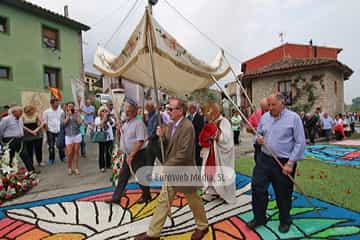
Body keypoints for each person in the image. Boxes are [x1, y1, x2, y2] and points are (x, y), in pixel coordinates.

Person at [135, 98, 209, 240]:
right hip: (171, 171)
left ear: (180, 111)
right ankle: (153, 233)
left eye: (171, 109)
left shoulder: (188, 127)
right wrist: (160, 137)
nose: (168, 111)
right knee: (164, 201)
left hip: (184, 171)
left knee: (194, 201)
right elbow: (166, 146)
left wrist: (166, 166)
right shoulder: (169, 125)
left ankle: (202, 226)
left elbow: (184, 153)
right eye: (168, 108)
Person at [247, 93, 305, 234]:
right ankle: (260, 217)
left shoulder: (294, 118)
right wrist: (258, 139)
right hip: (265, 159)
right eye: (269, 105)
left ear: (282, 104)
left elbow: (300, 142)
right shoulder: (265, 117)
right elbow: (258, 133)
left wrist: (290, 163)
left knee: (283, 193)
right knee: (257, 187)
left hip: (284, 162)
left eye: (273, 105)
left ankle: (285, 220)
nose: (270, 108)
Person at [106, 100, 151, 204]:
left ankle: (146, 195)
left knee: (140, 175)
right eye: (126, 111)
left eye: (129, 111)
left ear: (135, 112)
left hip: (138, 154)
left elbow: (140, 141)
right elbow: (120, 138)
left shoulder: (139, 123)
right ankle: (116, 197)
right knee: (123, 176)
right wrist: (118, 130)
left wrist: (132, 155)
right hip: (128, 154)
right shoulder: (126, 123)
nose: (127, 113)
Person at [199, 102, 236, 204]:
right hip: (211, 152)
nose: (208, 114)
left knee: (221, 173)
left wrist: (216, 134)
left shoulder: (224, 122)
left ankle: (225, 194)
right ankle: (211, 192)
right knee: (209, 171)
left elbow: (227, 140)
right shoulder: (211, 122)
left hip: (220, 154)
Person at [0, 106, 35, 172]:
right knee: (10, 156)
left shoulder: (20, 119)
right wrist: (1, 141)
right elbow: (1, 130)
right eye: (20, 111)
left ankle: (31, 170)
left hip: (20, 139)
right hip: (10, 140)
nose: (22, 113)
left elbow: (21, 128)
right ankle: (9, 172)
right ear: (14, 112)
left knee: (25, 154)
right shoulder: (6, 119)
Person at [42, 99, 65, 164]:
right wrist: (47, 130)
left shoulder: (61, 111)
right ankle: (51, 158)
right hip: (50, 130)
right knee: (51, 146)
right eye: (56, 103)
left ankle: (62, 157)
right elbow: (45, 121)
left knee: (61, 145)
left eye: (58, 103)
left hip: (59, 130)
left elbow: (62, 121)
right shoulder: (46, 112)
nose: (57, 104)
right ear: (51, 104)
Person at [62, 102, 82, 175]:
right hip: (68, 135)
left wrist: (76, 116)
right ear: (67, 107)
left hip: (77, 134)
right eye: (69, 106)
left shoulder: (76, 113)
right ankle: (69, 167)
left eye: (72, 106)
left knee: (76, 151)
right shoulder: (63, 114)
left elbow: (80, 123)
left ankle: (76, 168)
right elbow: (63, 124)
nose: (70, 108)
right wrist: (68, 116)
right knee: (70, 153)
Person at [246, 97, 269, 163]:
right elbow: (247, 128)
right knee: (259, 163)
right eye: (262, 108)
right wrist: (255, 129)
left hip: (270, 146)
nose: (265, 111)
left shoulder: (274, 115)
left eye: (266, 109)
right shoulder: (256, 114)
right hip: (258, 145)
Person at [94, 106, 115, 172]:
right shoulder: (97, 118)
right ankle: (102, 166)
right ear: (100, 112)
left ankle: (108, 164)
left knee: (109, 151)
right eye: (103, 111)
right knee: (102, 152)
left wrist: (109, 119)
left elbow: (113, 124)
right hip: (102, 138)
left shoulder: (110, 118)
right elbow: (100, 125)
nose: (104, 112)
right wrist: (104, 119)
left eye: (106, 111)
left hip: (109, 137)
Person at [145, 100, 162, 165]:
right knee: (149, 161)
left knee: (162, 159)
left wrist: (147, 137)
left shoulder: (156, 116)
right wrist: (139, 115)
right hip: (150, 141)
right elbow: (142, 122)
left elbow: (155, 129)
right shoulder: (149, 115)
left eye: (147, 107)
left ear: (151, 107)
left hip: (155, 141)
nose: (146, 109)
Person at [187, 102, 205, 166]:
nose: (188, 110)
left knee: (198, 158)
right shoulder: (188, 117)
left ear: (193, 109)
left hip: (197, 141)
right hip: (191, 142)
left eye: (189, 109)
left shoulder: (199, 117)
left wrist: (200, 140)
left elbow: (200, 130)